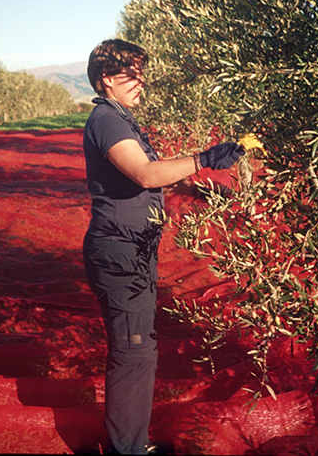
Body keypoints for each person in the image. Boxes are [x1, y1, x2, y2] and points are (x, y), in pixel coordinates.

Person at [82, 39, 244, 455]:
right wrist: (203, 157)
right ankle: (127, 450)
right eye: (130, 74)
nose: (140, 81)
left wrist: (200, 186)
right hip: (119, 250)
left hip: (132, 251)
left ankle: (133, 443)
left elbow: (155, 177)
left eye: (141, 72)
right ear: (107, 79)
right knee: (133, 352)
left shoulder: (122, 118)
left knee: (139, 351)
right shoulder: (107, 120)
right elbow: (145, 174)